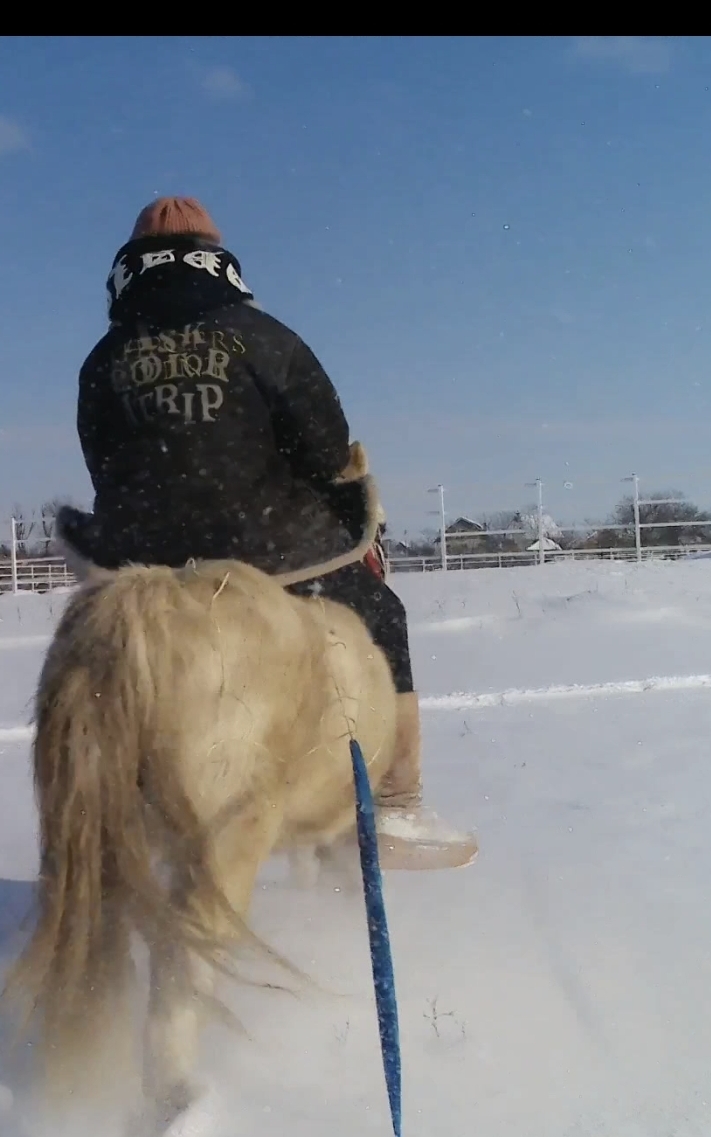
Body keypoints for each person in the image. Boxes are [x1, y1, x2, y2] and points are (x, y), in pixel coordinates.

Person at [57, 197, 477, 871]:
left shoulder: (102, 358)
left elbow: (101, 460)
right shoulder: (267, 338)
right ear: (217, 257)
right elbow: (325, 448)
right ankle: (398, 801)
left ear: (129, 268)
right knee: (381, 613)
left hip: (144, 560)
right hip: (273, 552)